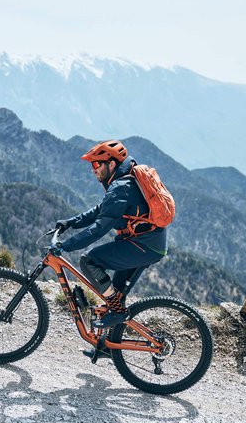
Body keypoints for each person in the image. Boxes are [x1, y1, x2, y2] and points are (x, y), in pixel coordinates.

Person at [53, 140, 168, 358]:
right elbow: (101, 210)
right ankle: (106, 345)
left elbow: (99, 228)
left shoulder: (121, 187)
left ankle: (118, 313)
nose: (93, 169)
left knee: (89, 260)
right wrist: (71, 222)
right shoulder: (122, 182)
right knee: (113, 295)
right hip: (145, 243)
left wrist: (66, 246)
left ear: (112, 164)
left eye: (97, 165)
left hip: (143, 246)